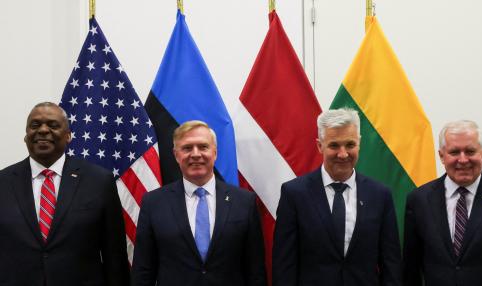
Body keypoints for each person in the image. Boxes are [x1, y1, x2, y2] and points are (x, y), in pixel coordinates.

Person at [0, 102, 129, 286]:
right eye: (35, 125)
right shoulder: (3, 182)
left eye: (53, 125)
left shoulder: (99, 181)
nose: (43, 130)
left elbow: (114, 255)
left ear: (68, 136)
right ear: (25, 136)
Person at [273, 108, 402, 286]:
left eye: (350, 145)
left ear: (359, 143)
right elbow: (284, 266)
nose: (343, 154)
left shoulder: (380, 196)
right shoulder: (294, 194)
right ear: (320, 146)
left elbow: (391, 264)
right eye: (334, 145)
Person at [131, 120, 266, 286]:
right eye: (187, 148)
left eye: (203, 147)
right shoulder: (154, 203)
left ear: (215, 153)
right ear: (176, 155)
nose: (195, 154)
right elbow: (143, 271)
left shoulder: (244, 202)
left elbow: (255, 271)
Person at [403, 120, 482, 286]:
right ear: (441, 156)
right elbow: (410, 266)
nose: (463, 160)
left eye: (470, 151)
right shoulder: (419, 199)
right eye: (454, 152)